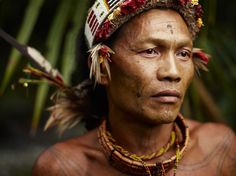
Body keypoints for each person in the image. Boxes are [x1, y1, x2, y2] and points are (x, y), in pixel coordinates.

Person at [32, 0, 236, 175]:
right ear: (102, 68)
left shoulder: (219, 149)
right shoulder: (63, 168)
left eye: (183, 53)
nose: (173, 72)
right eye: (150, 51)